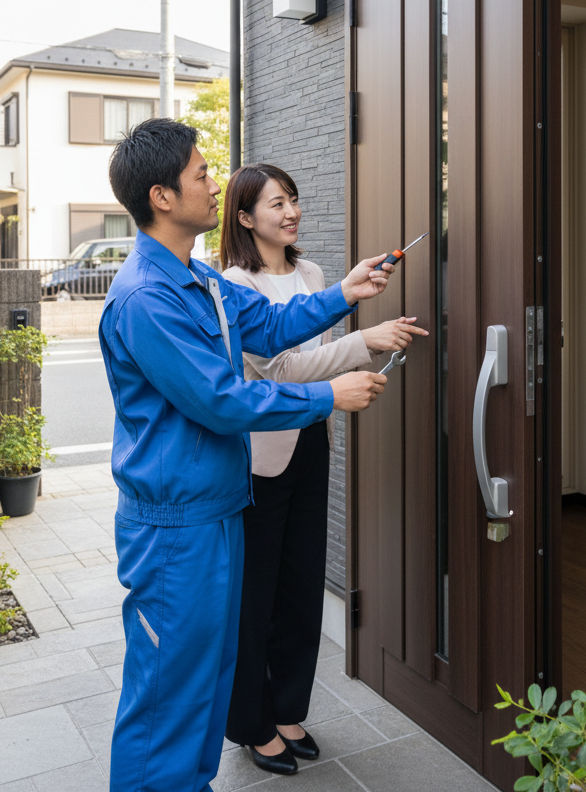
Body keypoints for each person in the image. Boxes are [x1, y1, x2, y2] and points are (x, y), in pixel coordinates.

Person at [99, 118, 394, 792]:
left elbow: (270, 323)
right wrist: (327, 396)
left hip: (217, 508)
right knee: (168, 695)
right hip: (176, 528)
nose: (213, 182)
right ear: (162, 197)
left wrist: (344, 293)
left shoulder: (196, 279)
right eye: (201, 174)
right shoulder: (149, 296)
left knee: (204, 682)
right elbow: (221, 400)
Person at [219, 163, 427, 774]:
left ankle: (286, 709)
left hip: (311, 439)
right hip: (262, 456)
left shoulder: (309, 274)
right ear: (244, 217)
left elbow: (310, 359)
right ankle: (253, 724)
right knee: (256, 595)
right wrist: (369, 340)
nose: (291, 212)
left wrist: (360, 323)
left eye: (294, 200)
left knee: (302, 584)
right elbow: (278, 370)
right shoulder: (234, 283)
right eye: (276, 203)